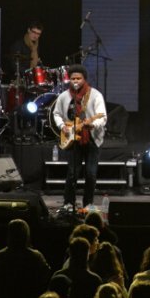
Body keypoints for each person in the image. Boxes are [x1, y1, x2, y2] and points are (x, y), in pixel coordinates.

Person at [51, 64, 107, 211]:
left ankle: (88, 204)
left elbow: (102, 117)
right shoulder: (64, 96)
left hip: (92, 139)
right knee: (72, 173)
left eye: (79, 78)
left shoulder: (95, 95)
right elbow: (56, 113)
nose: (75, 81)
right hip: (72, 139)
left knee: (91, 173)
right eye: (73, 78)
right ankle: (68, 203)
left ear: (84, 79)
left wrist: (93, 125)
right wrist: (62, 126)